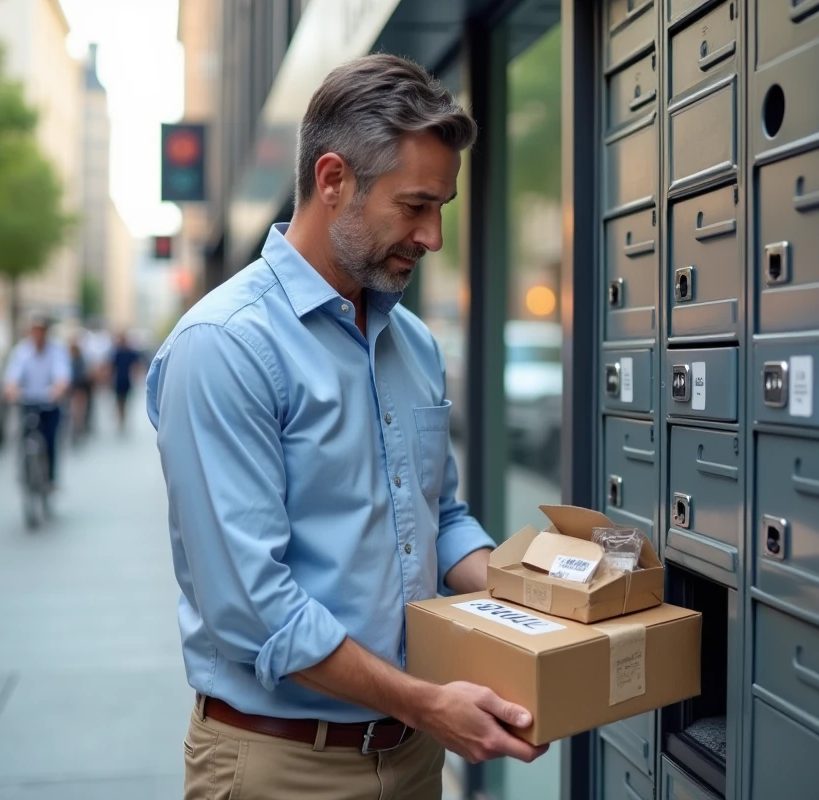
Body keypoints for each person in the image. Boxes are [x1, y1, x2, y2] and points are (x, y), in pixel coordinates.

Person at [148, 54, 545, 800]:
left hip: (414, 753)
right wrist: (430, 702)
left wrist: (538, 595)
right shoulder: (226, 346)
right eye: (415, 205)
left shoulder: (414, 342)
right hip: (281, 767)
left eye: (442, 209)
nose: (431, 236)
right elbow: (256, 611)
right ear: (332, 181)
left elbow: (441, 516)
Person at [2, 314, 69, 489]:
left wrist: (58, 390)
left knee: (49, 440)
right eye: (34, 330)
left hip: (49, 404)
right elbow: (12, 377)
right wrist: (12, 390)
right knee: (23, 436)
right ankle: (24, 471)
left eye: (41, 330)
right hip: (28, 402)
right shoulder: (22, 351)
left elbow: (62, 377)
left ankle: (50, 478)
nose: (38, 334)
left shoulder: (56, 350)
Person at [109, 331, 141, 432]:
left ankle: (123, 419)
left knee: (125, 401)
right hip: (119, 380)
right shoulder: (117, 353)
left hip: (126, 380)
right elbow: (112, 367)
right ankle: (121, 420)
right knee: (119, 401)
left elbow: (136, 365)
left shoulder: (130, 353)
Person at [67, 337, 91, 443]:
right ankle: (76, 429)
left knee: (79, 411)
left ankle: (79, 429)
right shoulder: (68, 361)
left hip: (80, 388)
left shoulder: (80, 361)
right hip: (73, 389)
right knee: (74, 412)